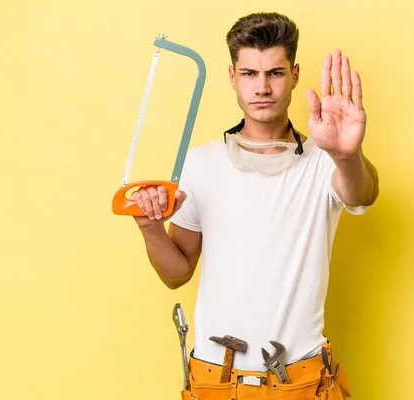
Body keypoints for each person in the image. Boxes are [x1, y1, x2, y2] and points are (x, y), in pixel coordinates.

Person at [130, 12, 379, 400]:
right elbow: (176, 273)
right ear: (232, 77)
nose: (262, 87)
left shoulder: (323, 160)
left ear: (295, 75)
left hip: (300, 382)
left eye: (274, 73)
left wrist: (347, 155)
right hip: (216, 381)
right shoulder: (200, 163)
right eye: (249, 74)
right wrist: (149, 228)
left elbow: (362, 194)